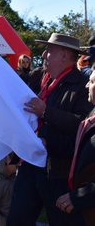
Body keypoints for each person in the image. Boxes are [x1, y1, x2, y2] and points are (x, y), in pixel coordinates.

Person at [6, 33, 94, 226]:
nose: (43, 55)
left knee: (62, 221)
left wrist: (46, 112)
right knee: (16, 219)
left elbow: (81, 125)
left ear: (64, 55)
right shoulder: (39, 77)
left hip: (57, 170)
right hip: (30, 163)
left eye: (49, 51)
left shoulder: (81, 86)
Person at [55, 66, 95, 226]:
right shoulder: (92, 114)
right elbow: (75, 143)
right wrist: (44, 143)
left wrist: (81, 197)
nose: (86, 85)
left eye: (91, 82)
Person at [0, 153, 17, 226]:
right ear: (3, 164)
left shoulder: (15, 179)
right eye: (10, 159)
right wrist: (7, 223)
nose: (15, 162)